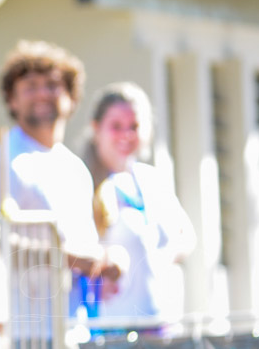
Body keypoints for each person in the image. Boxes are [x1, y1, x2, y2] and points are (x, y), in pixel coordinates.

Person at [0, 39, 124, 281]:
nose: (42, 93)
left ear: (71, 97)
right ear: (12, 99)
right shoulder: (1, 162)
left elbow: (83, 245)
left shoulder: (74, 167)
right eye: (31, 86)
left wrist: (106, 259)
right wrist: (68, 257)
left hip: (77, 315)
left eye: (52, 85)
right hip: (24, 316)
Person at [81, 82, 195, 322]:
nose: (126, 135)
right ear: (96, 128)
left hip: (161, 322)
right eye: (116, 126)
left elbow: (187, 236)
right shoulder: (83, 182)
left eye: (134, 126)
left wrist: (156, 259)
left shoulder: (150, 179)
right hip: (110, 331)